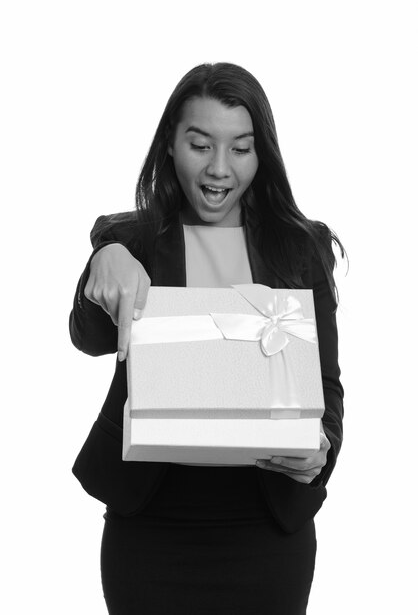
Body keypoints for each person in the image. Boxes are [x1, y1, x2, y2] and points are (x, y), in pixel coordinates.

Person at [70, 62, 345, 615]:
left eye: (241, 148)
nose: (220, 168)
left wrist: (321, 451)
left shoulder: (300, 248)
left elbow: (327, 389)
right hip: (150, 529)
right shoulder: (135, 241)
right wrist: (105, 259)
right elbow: (89, 336)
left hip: (265, 531)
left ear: (260, 153)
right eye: (200, 144)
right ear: (170, 143)